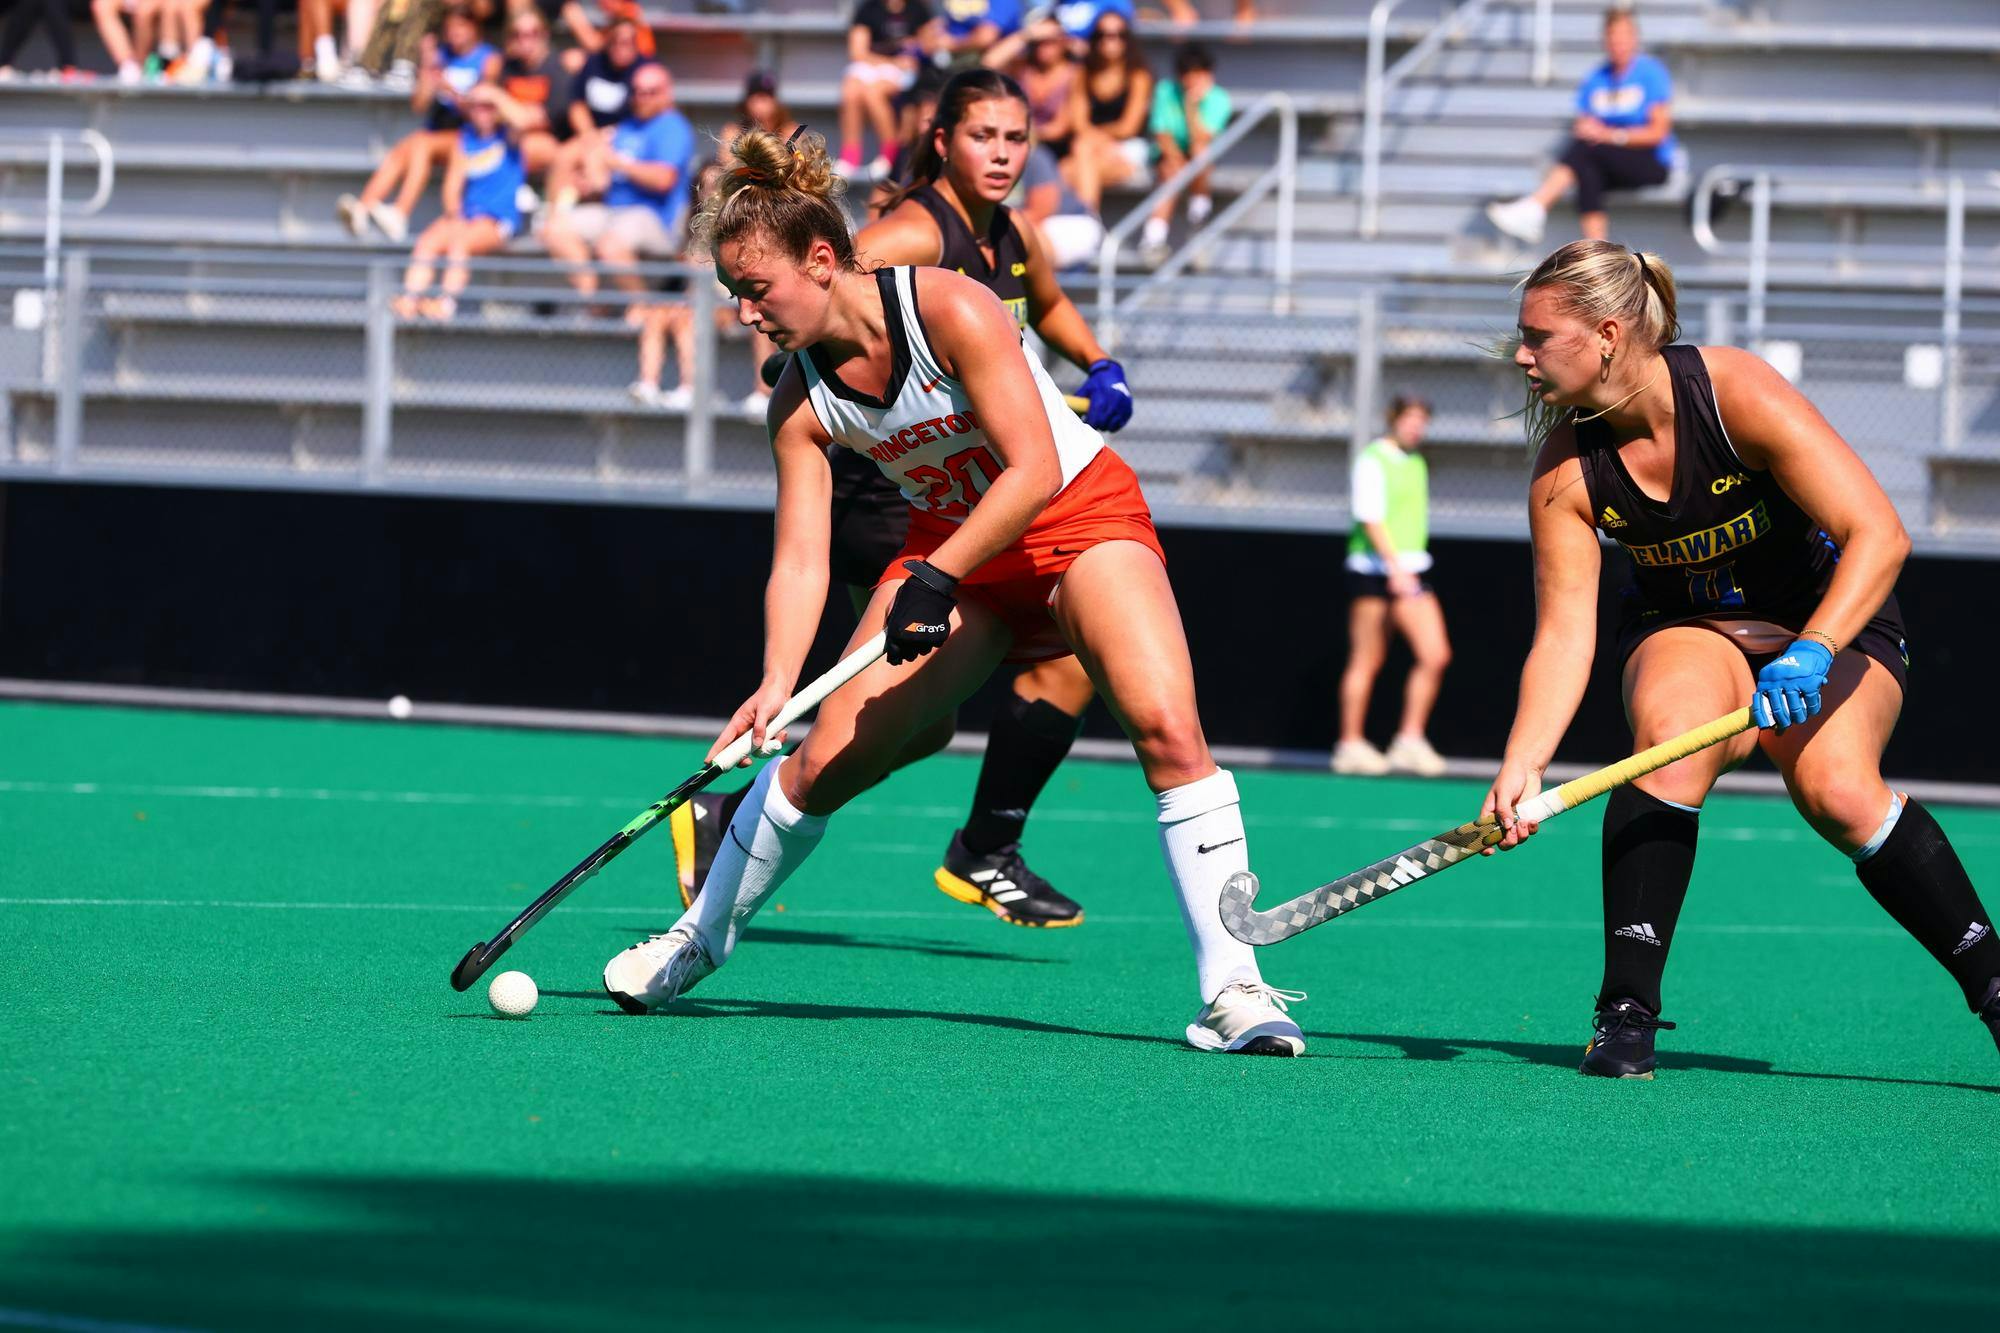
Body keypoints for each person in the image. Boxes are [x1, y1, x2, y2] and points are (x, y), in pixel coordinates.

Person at [604, 128, 1306, 1056]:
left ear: (821, 261)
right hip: (957, 559)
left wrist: (934, 577)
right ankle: (696, 940)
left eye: (756, 290)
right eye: (735, 296)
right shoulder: (801, 405)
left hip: (1076, 521)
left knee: (1170, 731)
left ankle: (1236, 989)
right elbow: (801, 561)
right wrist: (776, 682)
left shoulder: (950, 308)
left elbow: (1031, 467)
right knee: (818, 765)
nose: (746, 316)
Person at [1482, 239, 2000, 1079]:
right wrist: (1522, 761)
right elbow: (1564, 634)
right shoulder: (1565, 476)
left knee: (1836, 789)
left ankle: (1996, 986)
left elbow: (1881, 533)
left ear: (1608, 334)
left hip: (1830, 617)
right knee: (1670, 739)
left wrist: (1813, 650)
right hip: (1686, 626)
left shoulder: (1732, 393)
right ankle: (1626, 1012)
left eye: (1538, 335)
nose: (1522, 354)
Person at [673, 69, 1135, 930]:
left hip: (976, 477)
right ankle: (934, 839)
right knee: (901, 715)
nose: (1001, 154)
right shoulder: (913, 231)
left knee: (939, 718)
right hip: (888, 487)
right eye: (982, 136)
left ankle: (969, 842)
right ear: (941, 142)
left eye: (1016, 138)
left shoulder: (1014, 232)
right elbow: (840, 295)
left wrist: (1098, 362)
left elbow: (1050, 304)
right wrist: (799, 362)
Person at [1486, 7, 1677, 246]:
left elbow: (1657, 133)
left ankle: (1538, 206)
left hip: (1649, 160)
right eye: (1613, 38)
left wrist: (1610, 135)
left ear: (1634, 38)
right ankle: (1599, 252)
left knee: (1586, 152)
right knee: (1587, 167)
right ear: (1605, 40)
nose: (1618, 44)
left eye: (1623, 37)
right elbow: (1585, 123)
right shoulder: (1597, 78)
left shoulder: (1651, 73)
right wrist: (1591, 130)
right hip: (1605, 158)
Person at [1332, 395, 1451, 778]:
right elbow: (1371, 518)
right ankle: (1349, 745)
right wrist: (1394, 569)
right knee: (1367, 659)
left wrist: (1404, 571)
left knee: (1435, 654)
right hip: (1374, 572)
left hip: (1411, 571)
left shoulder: (1416, 462)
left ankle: (1408, 741)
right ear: (1394, 420)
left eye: (1422, 419)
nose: (1416, 426)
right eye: (1410, 418)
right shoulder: (1371, 460)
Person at [335, 3, 499, 242]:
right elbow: (419, 105)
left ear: (474, 28)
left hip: (468, 136)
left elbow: (483, 111)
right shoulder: (442, 57)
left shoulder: (488, 58)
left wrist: (449, 89)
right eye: (451, 28)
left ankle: (400, 212)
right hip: (439, 133)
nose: (455, 33)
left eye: (461, 27)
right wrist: (426, 68)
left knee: (421, 144)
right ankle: (363, 208)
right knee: (402, 150)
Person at [541, 61, 695, 309]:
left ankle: (643, 309)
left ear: (667, 93)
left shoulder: (672, 127)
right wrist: (588, 187)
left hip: (655, 217)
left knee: (610, 245)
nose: (642, 98)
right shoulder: (627, 126)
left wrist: (620, 165)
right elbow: (608, 179)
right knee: (554, 227)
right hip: (614, 211)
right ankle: (592, 297)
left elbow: (664, 180)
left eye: (651, 91)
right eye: (637, 91)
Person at [393, 83, 532, 321]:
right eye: (477, 107)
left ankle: (446, 304)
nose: (483, 112)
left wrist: (495, 94)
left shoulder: (508, 136)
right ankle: (411, 299)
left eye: (488, 108)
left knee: (460, 245)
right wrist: (454, 214)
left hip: (498, 219)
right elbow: (452, 186)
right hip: (468, 216)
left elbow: (524, 121)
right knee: (428, 241)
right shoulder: (465, 139)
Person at [1140, 40, 1227, 264]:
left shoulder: (1219, 99)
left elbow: (1201, 137)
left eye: (1197, 73)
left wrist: (1191, 106)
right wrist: (1176, 160)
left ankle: (1197, 220)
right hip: (1170, 157)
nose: (1191, 79)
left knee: (1200, 152)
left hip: (1198, 158)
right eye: (1187, 73)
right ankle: (1154, 240)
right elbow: (1161, 133)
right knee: (1172, 169)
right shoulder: (1165, 91)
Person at [1059, 9, 1152, 214]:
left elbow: (1129, 127)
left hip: (1128, 148)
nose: (1110, 41)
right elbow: (1078, 122)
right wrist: (1097, 141)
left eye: (1118, 35)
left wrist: (1097, 139)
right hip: (1094, 148)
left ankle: (1087, 221)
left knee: (1067, 169)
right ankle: (1089, 221)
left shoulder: (1137, 75)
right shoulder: (1083, 73)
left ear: (1127, 39)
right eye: (1103, 34)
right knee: (1069, 166)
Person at [838, 0, 941, 183]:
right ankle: (850, 154)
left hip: (903, 70)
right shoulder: (868, 9)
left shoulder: (918, 9)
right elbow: (857, 51)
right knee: (850, 90)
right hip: (879, 64)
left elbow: (929, 46)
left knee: (873, 93)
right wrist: (891, 60)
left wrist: (914, 47)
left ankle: (888, 152)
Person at [496, 10, 572, 178]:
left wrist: (498, 100)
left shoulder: (558, 68)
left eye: (532, 34)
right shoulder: (506, 67)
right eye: (517, 34)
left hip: (547, 143)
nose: (525, 41)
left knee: (527, 145)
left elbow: (541, 119)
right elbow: (490, 113)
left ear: (545, 34)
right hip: (508, 137)